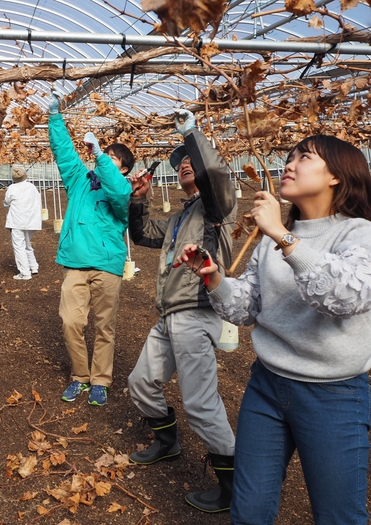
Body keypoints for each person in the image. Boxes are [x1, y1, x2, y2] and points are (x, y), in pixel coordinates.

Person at [175, 135, 371, 524]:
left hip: (333, 396)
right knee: (249, 511)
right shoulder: (274, 239)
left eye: (305, 157)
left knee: (338, 516)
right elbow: (247, 307)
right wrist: (214, 279)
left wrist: (282, 235)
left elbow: (345, 297)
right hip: (267, 386)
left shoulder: (358, 233)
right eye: (289, 156)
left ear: (337, 176)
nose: (290, 164)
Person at [126, 109, 238, 513]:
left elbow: (214, 177)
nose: (184, 163)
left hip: (196, 311)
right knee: (140, 382)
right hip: (170, 315)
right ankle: (167, 442)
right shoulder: (180, 216)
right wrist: (137, 201)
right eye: (178, 163)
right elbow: (141, 235)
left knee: (201, 403)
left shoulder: (216, 209)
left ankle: (232, 484)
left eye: (188, 158)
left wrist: (192, 133)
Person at [47, 89, 134, 407]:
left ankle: (100, 380)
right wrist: (55, 118)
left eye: (113, 158)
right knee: (71, 321)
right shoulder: (80, 180)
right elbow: (64, 152)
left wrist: (100, 157)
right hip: (76, 261)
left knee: (104, 326)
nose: (104, 159)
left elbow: (118, 192)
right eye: (103, 155)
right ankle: (80, 376)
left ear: (123, 169)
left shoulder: (122, 188)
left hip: (107, 263)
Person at [3, 166, 41, 279]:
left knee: (19, 246)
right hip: (31, 220)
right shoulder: (32, 187)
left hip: (17, 220)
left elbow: (6, 202)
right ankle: (33, 266)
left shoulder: (12, 188)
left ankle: (25, 272)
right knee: (27, 244)